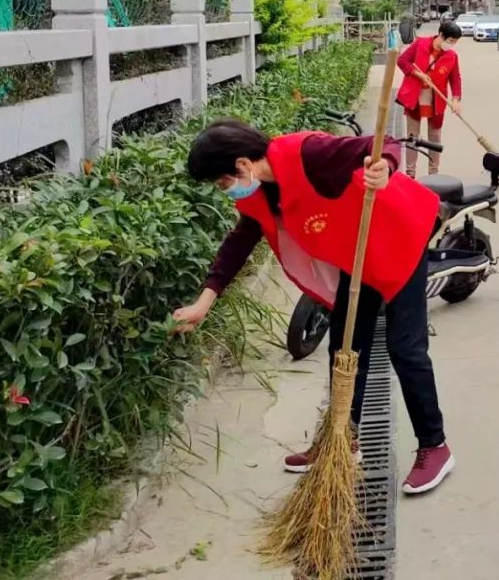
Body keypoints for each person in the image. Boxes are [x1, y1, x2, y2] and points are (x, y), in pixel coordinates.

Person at [173, 119, 455, 495]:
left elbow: (380, 142)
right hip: (358, 254)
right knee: (344, 347)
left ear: (241, 166)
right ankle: (341, 441)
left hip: (398, 237)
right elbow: (240, 241)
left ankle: (435, 446)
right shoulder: (263, 191)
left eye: (221, 183)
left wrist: (384, 165)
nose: (224, 191)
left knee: (406, 349)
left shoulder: (307, 153)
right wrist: (203, 302)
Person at [395, 21, 463, 177]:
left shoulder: (451, 56)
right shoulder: (420, 44)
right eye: (450, 41)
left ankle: (434, 173)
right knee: (413, 136)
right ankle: (410, 173)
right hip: (415, 98)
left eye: (455, 42)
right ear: (441, 35)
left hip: (437, 100)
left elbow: (455, 78)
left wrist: (456, 99)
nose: (452, 45)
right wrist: (418, 74)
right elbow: (402, 61)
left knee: (435, 137)